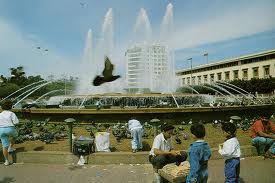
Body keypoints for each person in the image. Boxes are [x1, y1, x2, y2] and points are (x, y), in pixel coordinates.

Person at [0, 100, 19, 166]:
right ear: (11, 107)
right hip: (10, 129)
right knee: (15, 136)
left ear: (1, 107)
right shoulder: (11, 113)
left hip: (1, 130)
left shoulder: (0, 114)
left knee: (4, 146)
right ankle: (10, 147)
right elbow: (16, 122)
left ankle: (6, 161)